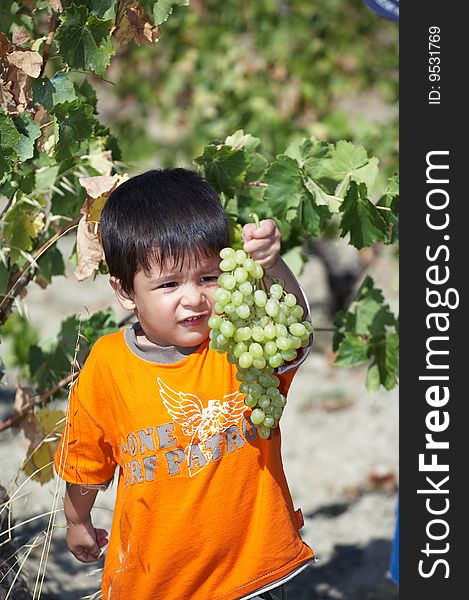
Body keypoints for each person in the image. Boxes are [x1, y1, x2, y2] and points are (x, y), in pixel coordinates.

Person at [54, 168, 315, 600]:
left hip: (253, 576)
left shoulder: (236, 342)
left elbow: (294, 330)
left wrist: (273, 266)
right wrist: (76, 521)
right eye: (170, 284)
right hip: (153, 584)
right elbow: (87, 459)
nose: (194, 298)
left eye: (208, 278)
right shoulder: (107, 366)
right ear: (125, 292)